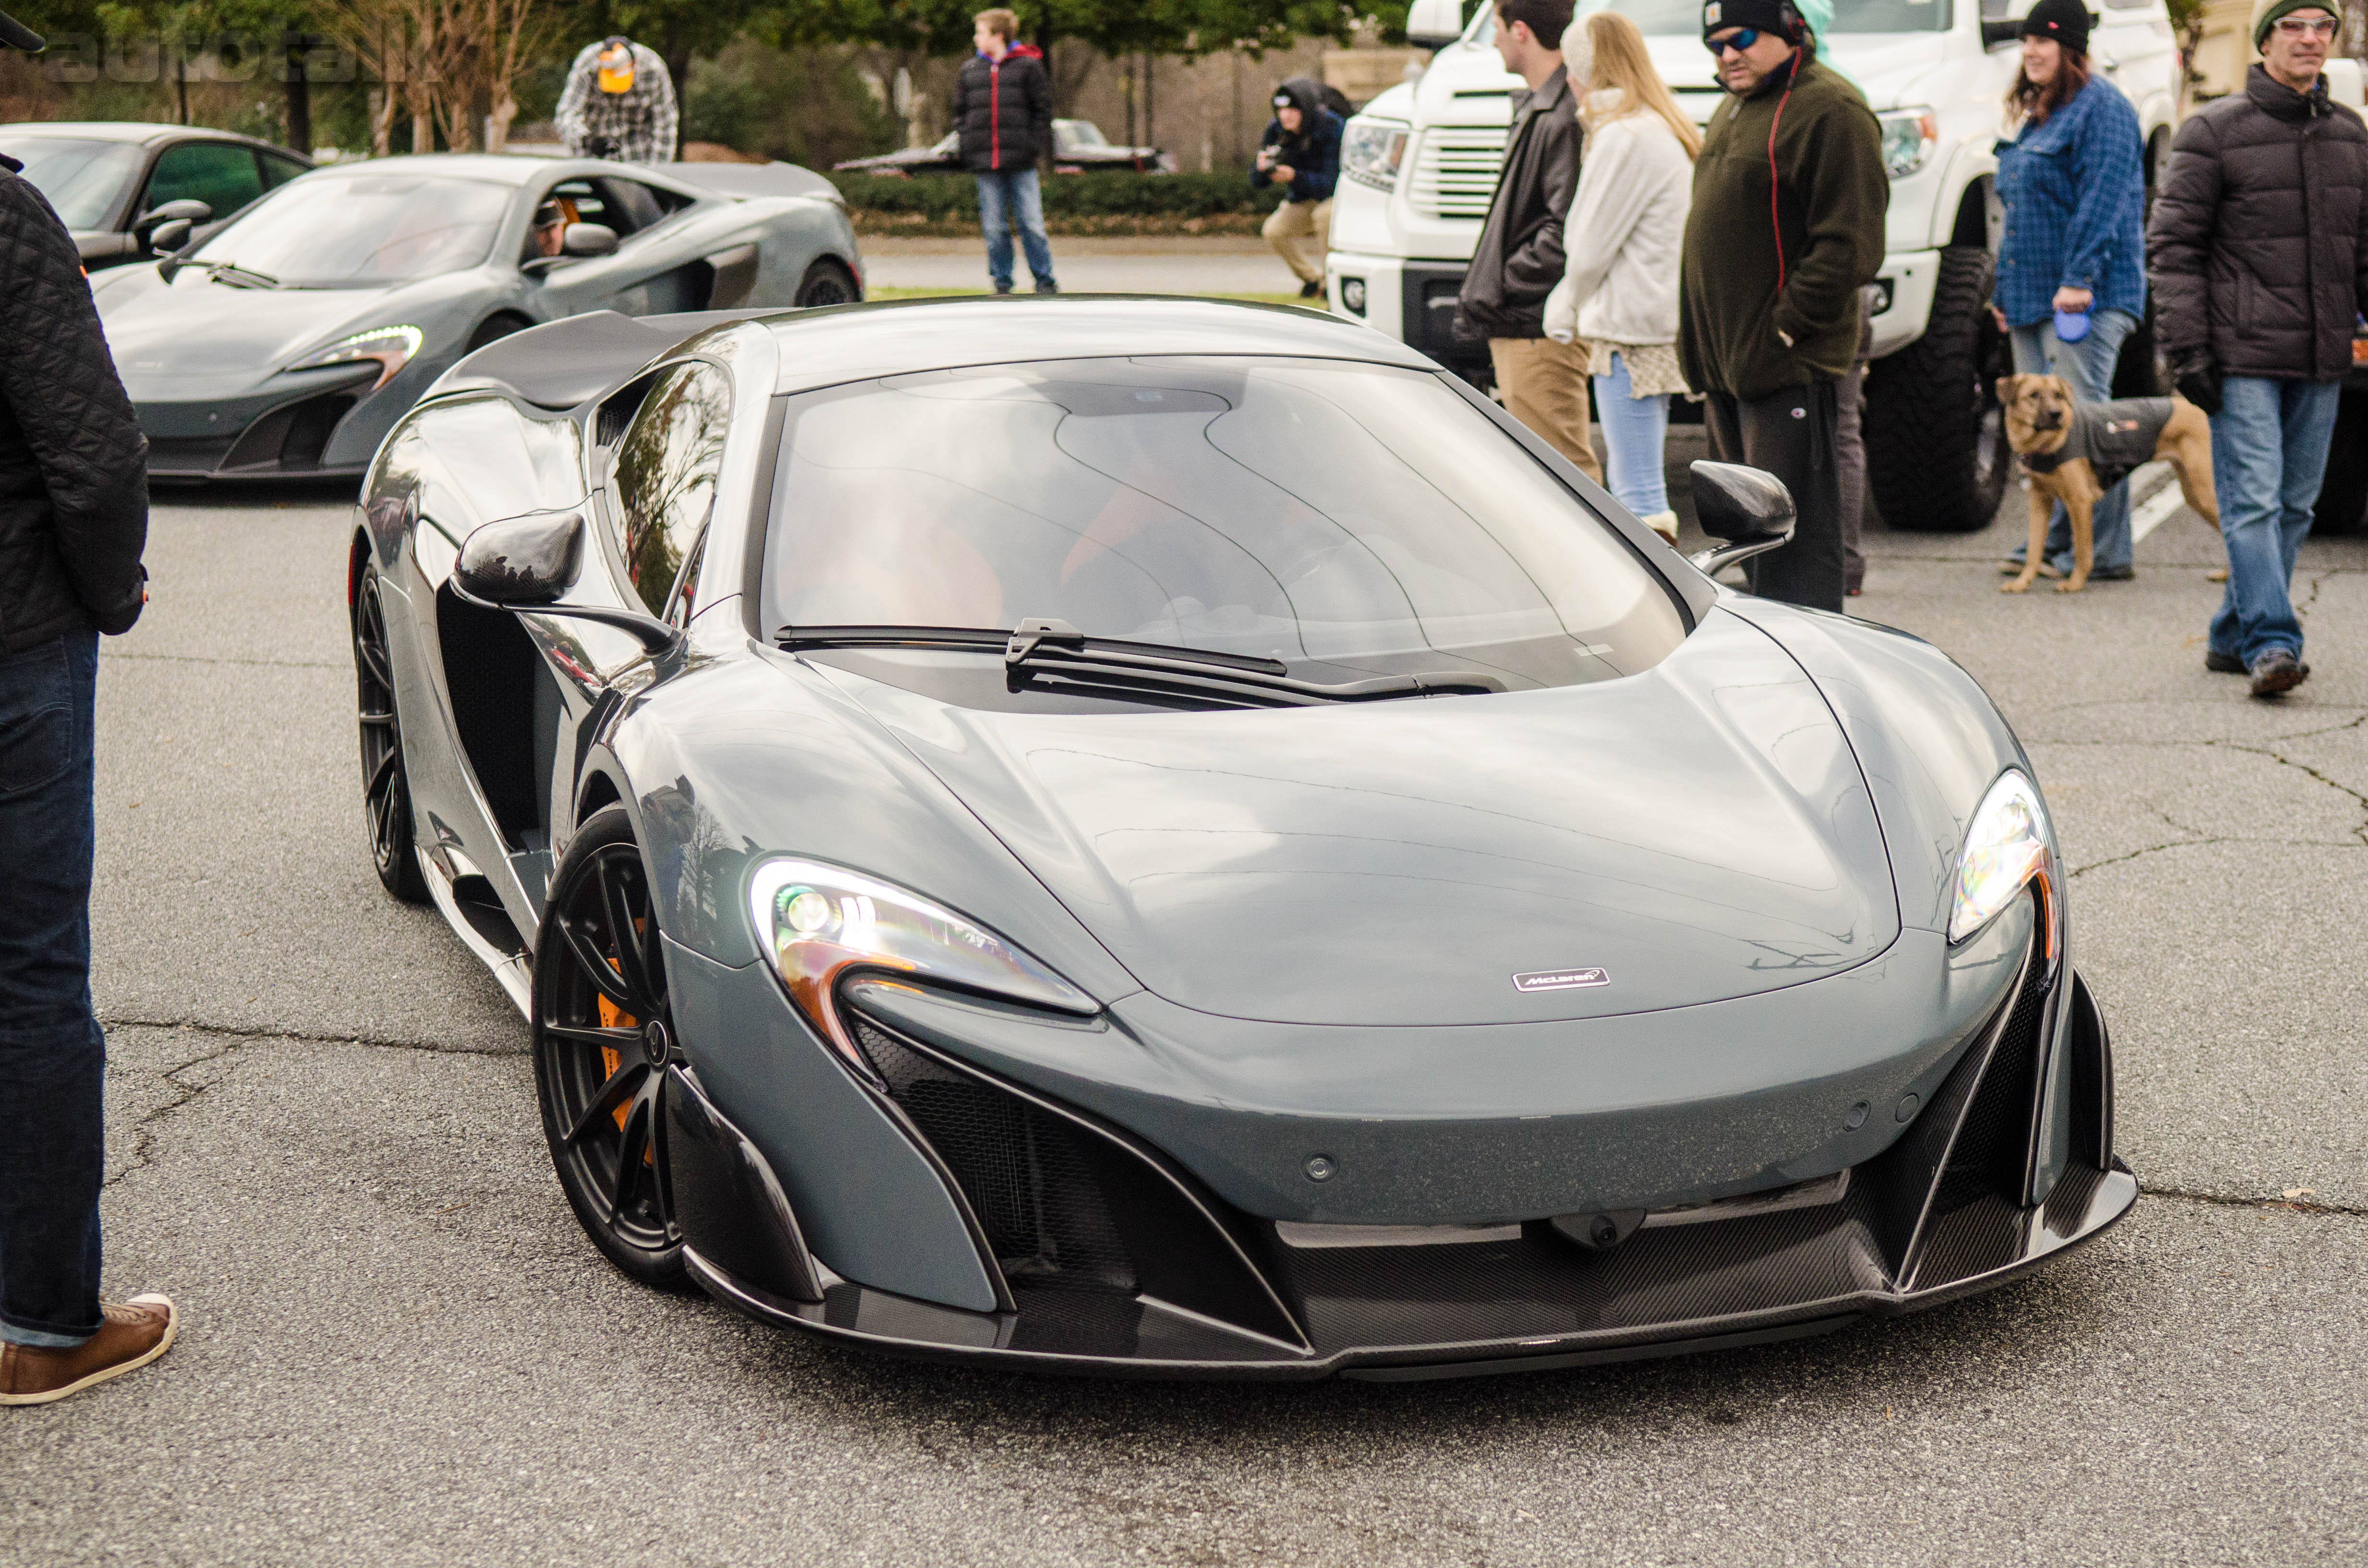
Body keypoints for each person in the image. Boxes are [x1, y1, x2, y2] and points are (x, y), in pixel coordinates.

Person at [0, 4, 171, 1407]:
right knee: (31, 980)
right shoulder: (6, 225)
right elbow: (94, 457)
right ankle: (46, 1330)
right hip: (13, 648)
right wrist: (109, 594)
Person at [2148, 0, 2368, 698]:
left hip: (2322, 353)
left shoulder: (2352, 137)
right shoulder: (2213, 132)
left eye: (2322, 27)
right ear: (2266, 38)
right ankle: (2273, 642)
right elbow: (2173, 249)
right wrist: (2187, 352)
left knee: (2298, 505)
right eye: (2295, 27)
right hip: (2239, 354)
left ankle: (2227, 634)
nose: (2310, 40)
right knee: (2253, 502)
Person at [1677, 0, 1886, 612]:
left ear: (1790, 31)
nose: (1726, 54)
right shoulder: (1734, 106)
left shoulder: (1831, 110)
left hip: (1785, 370)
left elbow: (1850, 244)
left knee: (1798, 555)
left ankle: (1816, 685)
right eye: (1713, 44)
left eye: (1740, 37)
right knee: (1752, 548)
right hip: (1731, 372)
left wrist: (1787, 331)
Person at [1989, 0, 2149, 584]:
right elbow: (2019, 212)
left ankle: (2102, 551)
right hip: (2031, 296)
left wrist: (2078, 279)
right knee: (2040, 433)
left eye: (2043, 41)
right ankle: (2058, 542)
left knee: (2084, 426)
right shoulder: (2039, 114)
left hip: (2085, 294)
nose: (2030, 51)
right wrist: (2003, 295)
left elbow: (2104, 201)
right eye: (2025, 40)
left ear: (2072, 49)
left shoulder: (2102, 110)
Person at [1543, 10, 1697, 542]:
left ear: (1584, 69)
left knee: (1637, 493)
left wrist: (1563, 305)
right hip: (1650, 319)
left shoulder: (1623, 136)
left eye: (1569, 67)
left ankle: (1656, 610)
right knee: (1638, 484)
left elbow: (1586, 247)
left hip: (1627, 330)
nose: (1565, 80)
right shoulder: (1657, 125)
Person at [1456, 0, 1604, 485]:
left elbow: (1566, 230)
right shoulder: (1546, 106)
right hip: (1527, 323)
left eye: (1495, 27)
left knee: (1564, 479)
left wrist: (1503, 282)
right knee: (1545, 477)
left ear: (1519, 31)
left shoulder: (1561, 116)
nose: (1493, 39)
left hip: (1536, 329)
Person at [954, 9, 1058, 296]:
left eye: (980, 32)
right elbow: (960, 115)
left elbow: (1043, 112)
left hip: (1021, 162)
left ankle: (1045, 280)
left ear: (998, 36)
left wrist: (1032, 146)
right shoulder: (970, 71)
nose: (976, 38)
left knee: (1031, 224)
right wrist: (969, 145)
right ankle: (1002, 282)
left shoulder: (1028, 68)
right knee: (994, 228)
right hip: (986, 163)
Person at [1255, 79, 1344, 300]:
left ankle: (1331, 285)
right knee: (1274, 230)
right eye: (1280, 110)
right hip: (1303, 196)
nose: (1285, 116)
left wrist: (1296, 176)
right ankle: (1312, 280)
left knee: (1323, 216)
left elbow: (1332, 182)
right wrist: (1261, 170)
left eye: (1292, 109)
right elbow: (1258, 182)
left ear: (1305, 108)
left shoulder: (1332, 127)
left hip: (1336, 197)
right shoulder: (1276, 129)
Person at [555, 36, 678, 165]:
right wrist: (585, 140)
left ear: (634, 65)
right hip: (594, 162)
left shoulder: (654, 69)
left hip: (639, 160)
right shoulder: (587, 65)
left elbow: (665, 124)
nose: (616, 92)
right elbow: (567, 113)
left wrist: (656, 172)